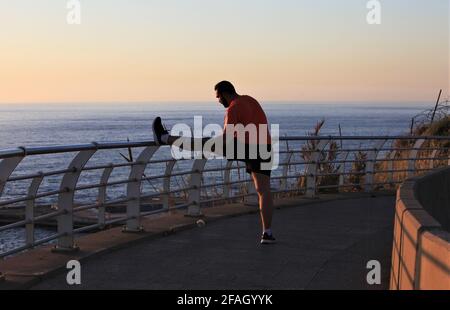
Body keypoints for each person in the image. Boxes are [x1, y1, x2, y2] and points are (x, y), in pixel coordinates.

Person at [152, 81, 275, 244]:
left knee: (201, 143)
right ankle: (267, 233)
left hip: (246, 146)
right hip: (264, 146)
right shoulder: (250, 100)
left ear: (224, 93)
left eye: (218, 97)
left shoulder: (234, 107)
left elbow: (226, 139)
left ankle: (164, 138)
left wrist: (210, 143)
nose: (218, 101)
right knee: (264, 191)